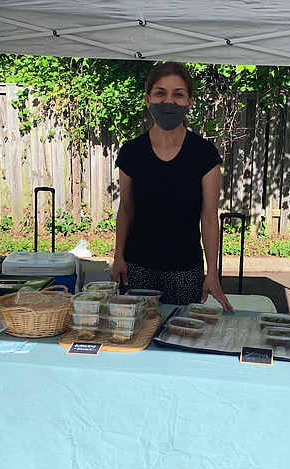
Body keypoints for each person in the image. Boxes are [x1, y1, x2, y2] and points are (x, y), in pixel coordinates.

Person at [110, 62, 234, 312]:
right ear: (147, 100)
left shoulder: (204, 155)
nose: (169, 102)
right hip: (137, 269)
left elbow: (209, 217)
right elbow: (125, 210)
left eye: (178, 94)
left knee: (184, 339)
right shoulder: (132, 153)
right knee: (136, 337)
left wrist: (213, 273)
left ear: (190, 102)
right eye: (160, 93)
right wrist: (118, 257)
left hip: (186, 271)